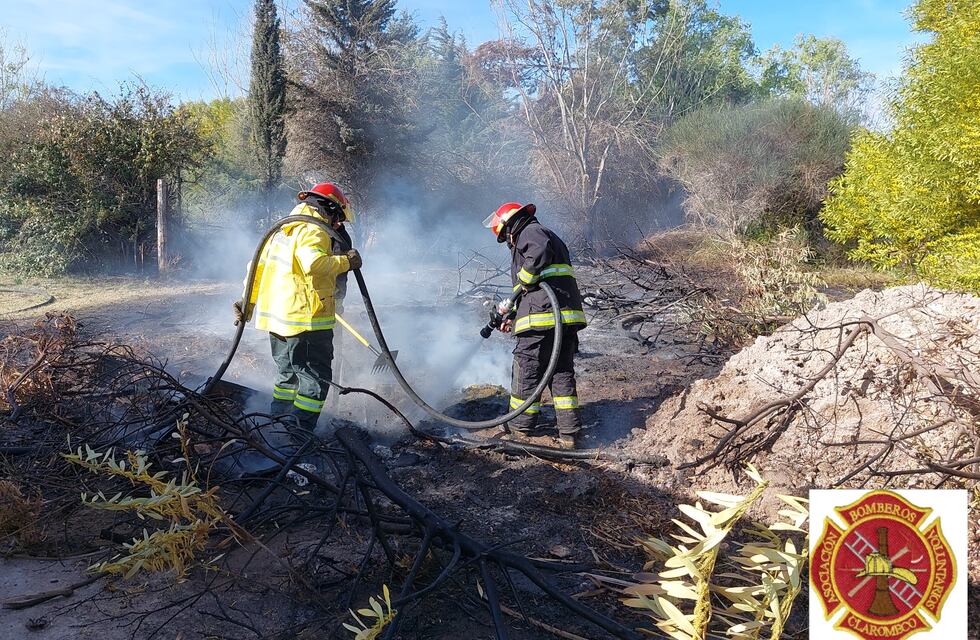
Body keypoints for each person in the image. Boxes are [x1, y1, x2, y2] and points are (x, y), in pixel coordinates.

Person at [234, 182, 362, 430]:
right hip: (306, 321)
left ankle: (278, 427)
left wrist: (247, 304)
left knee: (287, 378)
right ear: (329, 210)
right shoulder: (314, 230)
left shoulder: (281, 231)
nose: (338, 226)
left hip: (277, 320)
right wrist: (346, 262)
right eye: (338, 219)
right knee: (315, 380)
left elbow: (255, 270)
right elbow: (313, 264)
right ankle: (299, 436)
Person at [483, 202, 587, 448]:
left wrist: (525, 279)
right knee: (561, 373)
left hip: (543, 318)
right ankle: (569, 433)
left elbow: (533, 270)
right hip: (562, 318)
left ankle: (520, 427)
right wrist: (513, 316)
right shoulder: (548, 235)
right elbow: (533, 288)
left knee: (527, 368)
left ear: (510, 226)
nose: (508, 243)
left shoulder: (530, 232)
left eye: (505, 237)